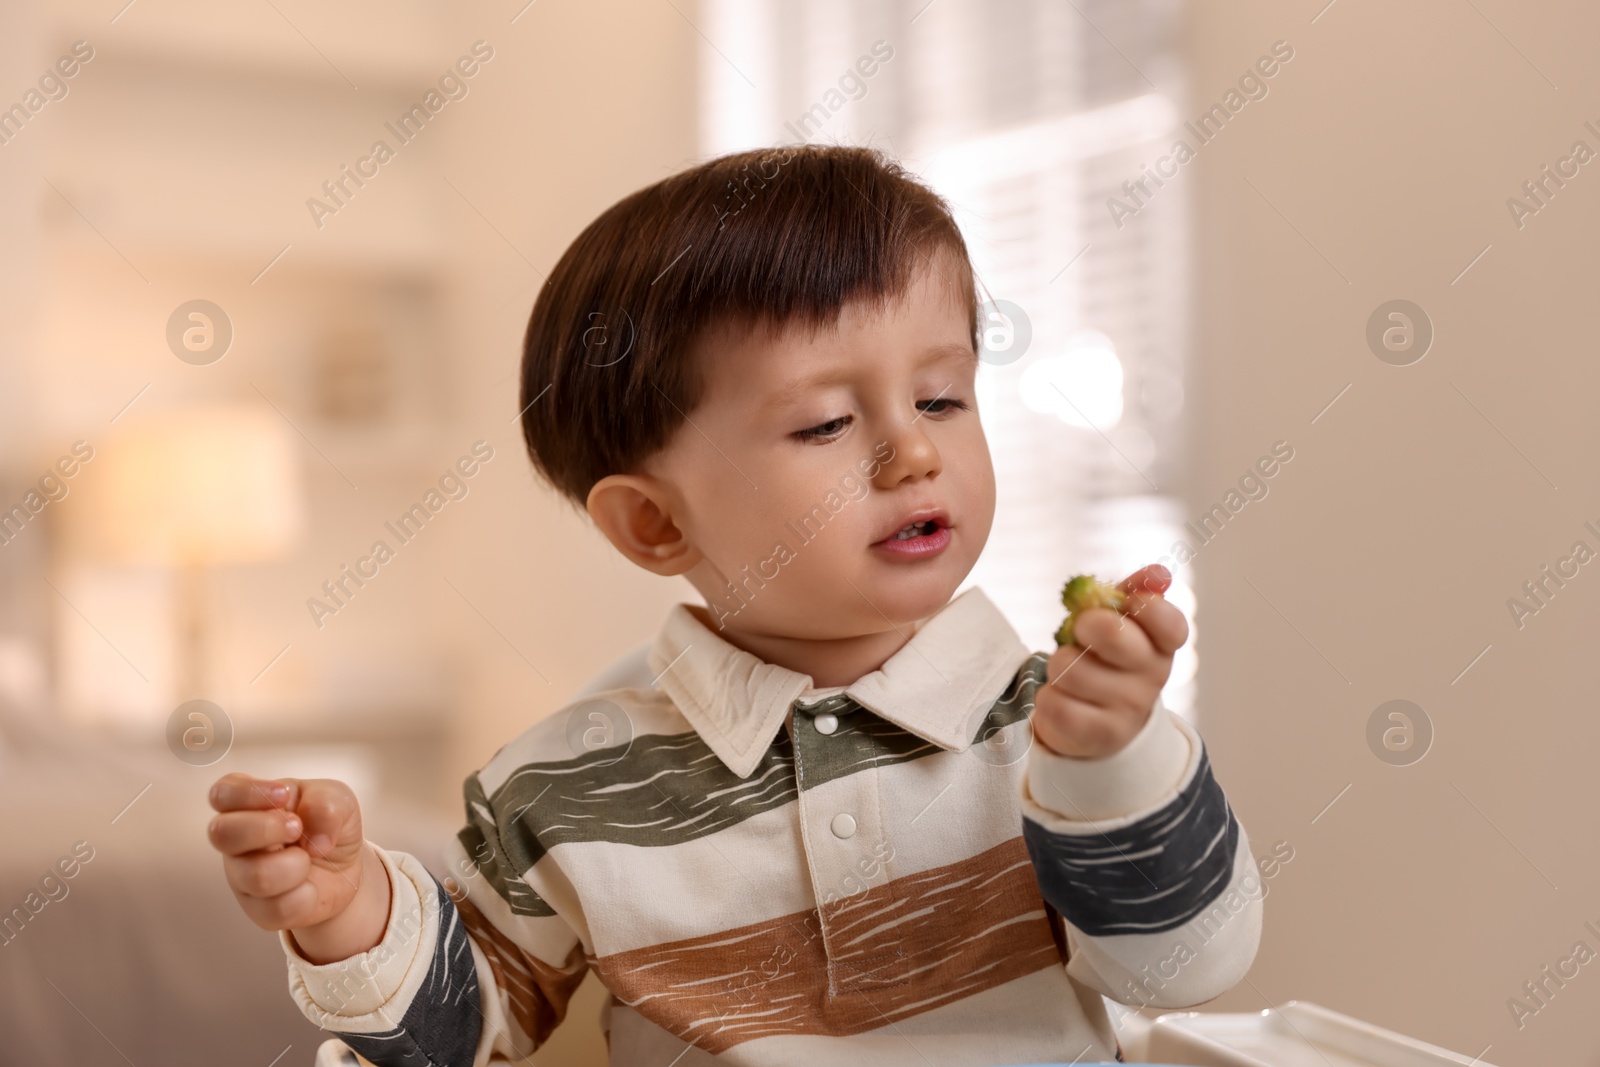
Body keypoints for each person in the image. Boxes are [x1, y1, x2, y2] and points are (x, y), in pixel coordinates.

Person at [205, 143, 1262, 1066]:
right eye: (824, 424)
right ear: (657, 524)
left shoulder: (1048, 725)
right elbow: (454, 1032)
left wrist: (1106, 762)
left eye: (941, 396)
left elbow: (1185, 966)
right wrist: (351, 913)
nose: (916, 450)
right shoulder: (566, 788)